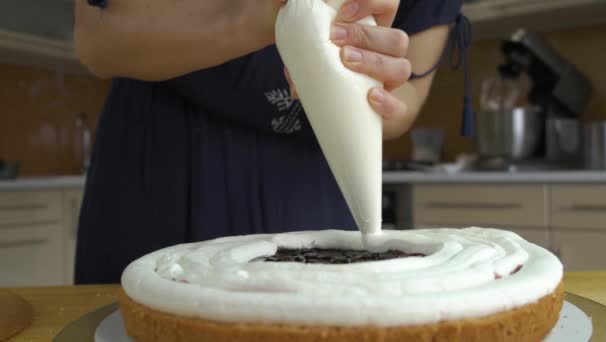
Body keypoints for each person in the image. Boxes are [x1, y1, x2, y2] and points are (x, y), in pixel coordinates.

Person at [74, 0, 468, 284]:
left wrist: (366, 92)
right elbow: (98, 39)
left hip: (319, 191)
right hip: (159, 176)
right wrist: (275, 13)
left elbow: (407, 95)